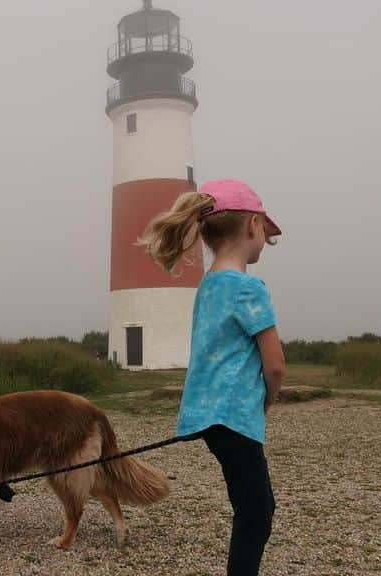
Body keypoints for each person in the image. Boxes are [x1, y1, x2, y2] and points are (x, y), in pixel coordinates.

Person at [137, 178, 286, 576]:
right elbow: (275, 364)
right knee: (256, 513)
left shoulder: (208, 286)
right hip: (235, 417)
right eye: (264, 235)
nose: (263, 245)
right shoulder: (248, 288)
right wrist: (268, 398)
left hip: (208, 417)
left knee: (255, 505)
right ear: (253, 226)